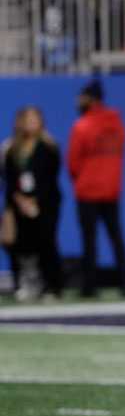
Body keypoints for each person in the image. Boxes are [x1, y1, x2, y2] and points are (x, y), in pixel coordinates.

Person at [68, 79, 125, 298]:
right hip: (111, 189)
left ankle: (90, 287)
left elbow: (73, 163)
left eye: (82, 97)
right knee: (116, 237)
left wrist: (83, 179)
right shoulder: (117, 124)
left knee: (90, 240)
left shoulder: (82, 126)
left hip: (88, 191)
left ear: (90, 98)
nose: (78, 101)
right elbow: (120, 152)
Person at [3, 107, 63, 301]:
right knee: (20, 245)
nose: (30, 123)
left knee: (46, 242)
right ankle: (25, 283)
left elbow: (50, 177)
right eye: (27, 119)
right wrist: (20, 200)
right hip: (19, 203)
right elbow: (9, 178)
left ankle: (52, 285)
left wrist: (35, 200)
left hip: (44, 203)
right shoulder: (11, 148)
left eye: (34, 119)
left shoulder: (48, 145)